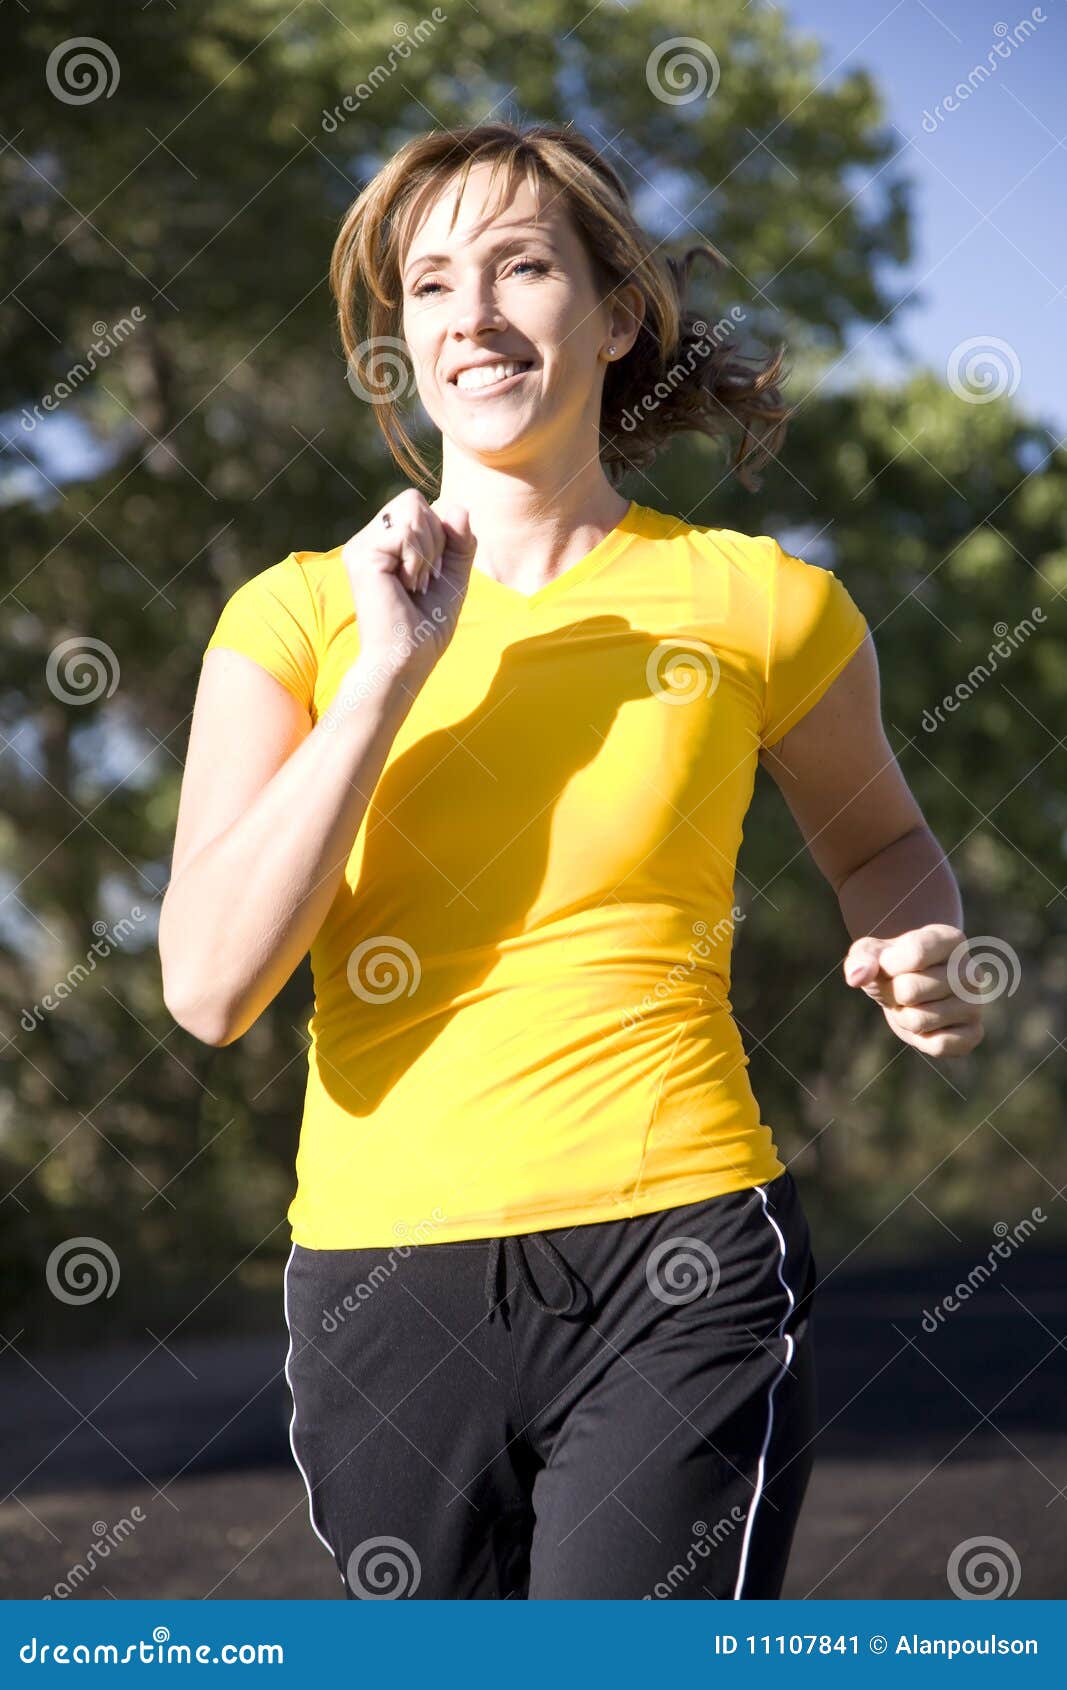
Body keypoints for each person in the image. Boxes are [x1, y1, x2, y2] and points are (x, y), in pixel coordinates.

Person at [159, 121, 983, 1600]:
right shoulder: (294, 620)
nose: (469, 314)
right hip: (379, 1278)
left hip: (678, 1253)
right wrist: (388, 677)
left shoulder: (759, 604)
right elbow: (212, 986)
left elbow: (886, 846)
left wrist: (923, 943)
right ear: (403, 339)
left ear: (614, 315)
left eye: (520, 265)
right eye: (427, 285)